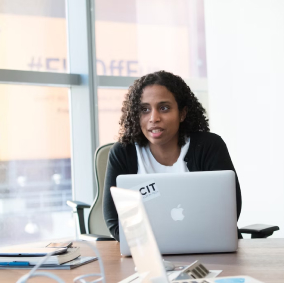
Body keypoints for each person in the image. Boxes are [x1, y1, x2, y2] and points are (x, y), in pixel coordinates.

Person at [103, 71, 242, 241]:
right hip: (148, 253)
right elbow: (114, 221)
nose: (154, 118)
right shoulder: (124, 152)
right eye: (145, 109)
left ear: (182, 113)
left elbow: (229, 211)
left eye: (164, 108)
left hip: (209, 248)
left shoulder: (208, 146)